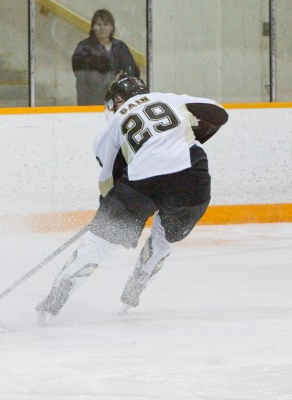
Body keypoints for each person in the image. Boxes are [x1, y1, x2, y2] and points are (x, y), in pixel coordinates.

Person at [36, 73, 229, 324]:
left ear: (118, 99)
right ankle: (134, 291)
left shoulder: (113, 124)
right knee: (163, 237)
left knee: (99, 243)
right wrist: (189, 134)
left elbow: (108, 178)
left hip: (143, 179)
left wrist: (107, 212)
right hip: (193, 175)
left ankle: (53, 302)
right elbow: (218, 112)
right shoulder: (168, 98)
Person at [72, 9, 140, 106]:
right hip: (91, 98)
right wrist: (104, 78)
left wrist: (120, 78)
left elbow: (133, 71)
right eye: (99, 24)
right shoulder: (83, 47)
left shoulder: (120, 47)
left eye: (106, 24)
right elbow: (80, 73)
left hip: (118, 100)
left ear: (112, 27)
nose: (102, 28)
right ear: (92, 27)